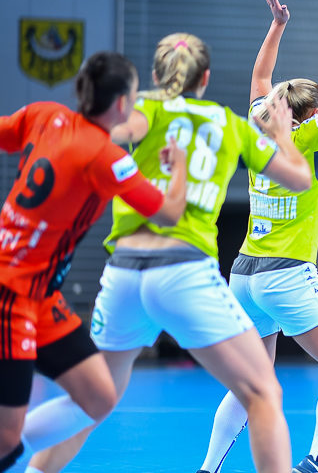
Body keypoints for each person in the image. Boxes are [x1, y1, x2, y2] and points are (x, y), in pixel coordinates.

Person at [23, 33, 312, 473]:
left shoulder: (145, 109)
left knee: (91, 403)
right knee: (263, 392)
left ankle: (16, 446)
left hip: (122, 275)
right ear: (206, 77)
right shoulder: (230, 124)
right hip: (183, 273)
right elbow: (299, 179)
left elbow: (109, 132)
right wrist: (281, 136)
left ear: (157, 76)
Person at [195, 0, 318, 473]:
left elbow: (261, 79)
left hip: (243, 274)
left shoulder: (259, 127)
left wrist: (277, 25)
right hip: (287, 274)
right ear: (314, 114)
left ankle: (208, 468)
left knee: (253, 382)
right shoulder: (312, 136)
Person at [0, 51, 188, 472]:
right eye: (135, 96)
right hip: (9, 294)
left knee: (100, 396)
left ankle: (18, 454)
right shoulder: (106, 158)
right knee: (6, 440)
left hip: (41, 297)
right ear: (121, 103)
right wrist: (179, 168)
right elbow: (169, 213)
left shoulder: (42, 114)